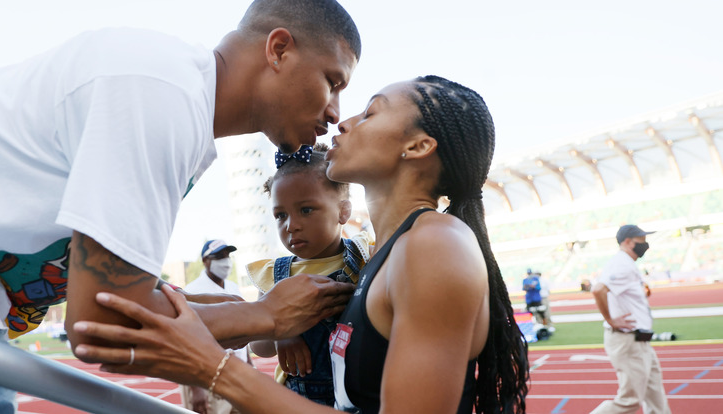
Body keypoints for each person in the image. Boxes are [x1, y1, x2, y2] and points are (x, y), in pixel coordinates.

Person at [0, 0, 360, 412]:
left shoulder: (174, 96)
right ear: (278, 50)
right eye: (332, 82)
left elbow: (111, 281)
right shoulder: (160, 93)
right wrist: (267, 315)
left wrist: (227, 309)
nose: (335, 111)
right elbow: (100, 323)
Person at [73, 75, 530, 413]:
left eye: (370, 112)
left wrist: (213, 368)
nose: (343, 121)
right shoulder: (382, 255)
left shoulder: (436, 244)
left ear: (417, 147)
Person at [246, 143, 371, 407]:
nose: (291, 225)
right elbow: (259, 346)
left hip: (362, 393)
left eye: (306, 210)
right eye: (280, 215)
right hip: (299, 399)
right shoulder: (274, 274)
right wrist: (280, 330)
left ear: (343, 211)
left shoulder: (365, 255)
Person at [590, 225, 671, 414]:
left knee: (655, 397)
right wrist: (610, 319)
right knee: (630, 401)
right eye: (641, 241)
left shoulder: (626, 263)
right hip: (628, 341)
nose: (646, 245)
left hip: (640, 341)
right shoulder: (622, 264)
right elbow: (598, 290)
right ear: (627, 242)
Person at [181, 239, 253, 414]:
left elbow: (244, 331)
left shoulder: (233, 288)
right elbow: (185, 339)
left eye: (227, 256)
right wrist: (196, 388)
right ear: (205, 261)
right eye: (219, 256)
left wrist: (249, 362)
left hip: (237, 373)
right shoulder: (193, 291)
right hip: (207, 377)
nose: (225, 261)